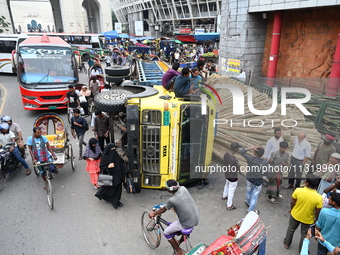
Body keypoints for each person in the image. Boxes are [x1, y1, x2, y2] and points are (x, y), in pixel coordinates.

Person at [148, 180, 199, 255]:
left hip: (186, 223)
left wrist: (153, 213)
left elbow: (163, 210)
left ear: (169, 190)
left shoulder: (172, 200)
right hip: (195, 218)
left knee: (167, 232)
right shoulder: (183, 188)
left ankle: (179, 251)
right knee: (176, 225)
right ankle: (179, 241)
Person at [283, 175, 323, 253]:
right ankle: (300, 251)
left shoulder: (298, 190)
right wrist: (316, 219)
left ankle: (287, 243)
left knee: (291, 229)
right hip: (308, 219)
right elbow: (317, 211)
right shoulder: (319, 197)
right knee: (304, 235)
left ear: (307, 183)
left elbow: (293, 202)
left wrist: (292, 209)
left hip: (295, 214)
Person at [95, 143, 126, 209]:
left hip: (118, 175)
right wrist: (108, 167)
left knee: (118, 189)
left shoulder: (116, 155)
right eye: (112, 149)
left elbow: (121, 163)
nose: (113, 150)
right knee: (110, 189)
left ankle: (116, 202)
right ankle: (107, 197)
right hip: (110, 176)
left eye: (114, 148)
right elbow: (102, 167)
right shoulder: (105, 157)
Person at [239, 146, 268, 213]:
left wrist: (251, 148)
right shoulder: (265, 162)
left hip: (249, 178)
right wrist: (264, 179)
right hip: (258, 181)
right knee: (254, 196)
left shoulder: (251, 159)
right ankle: (250, 210)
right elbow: (265, 173)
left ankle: (248, 202)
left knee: (248, 191)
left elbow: (241, 151)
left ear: (255, 153)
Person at [223, 142, 240, 210]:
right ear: (236, 149)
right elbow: (238, 170)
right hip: (233, 177)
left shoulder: (226, 154)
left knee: (227, 184)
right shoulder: (235, 160)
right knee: (231, 190)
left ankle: (224, 195)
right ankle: (229, 205)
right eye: (238, 148)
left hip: (227, 174)